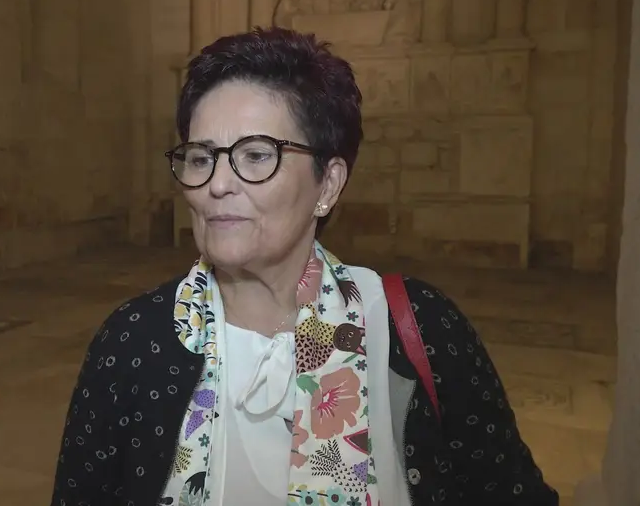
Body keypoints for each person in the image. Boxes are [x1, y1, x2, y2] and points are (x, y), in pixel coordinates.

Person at [51, 28, 558, 506]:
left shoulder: (419, 329)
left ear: (328, 184)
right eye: (202, 158)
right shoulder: (132, 342)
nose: (217, 184)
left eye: (256, 156)